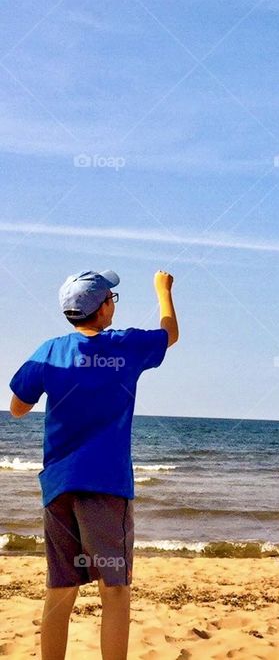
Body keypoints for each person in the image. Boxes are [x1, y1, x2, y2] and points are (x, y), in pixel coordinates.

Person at [8, 269, 179, 660]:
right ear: (102, 310)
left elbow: (17, 408)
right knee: (114, 588)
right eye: (111, 299)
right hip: (106, 484)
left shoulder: (49, 351)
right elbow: (170, 333)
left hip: (59, 484)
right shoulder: (126, 347)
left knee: (61, 588)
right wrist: (163, 290)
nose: (112, 305)